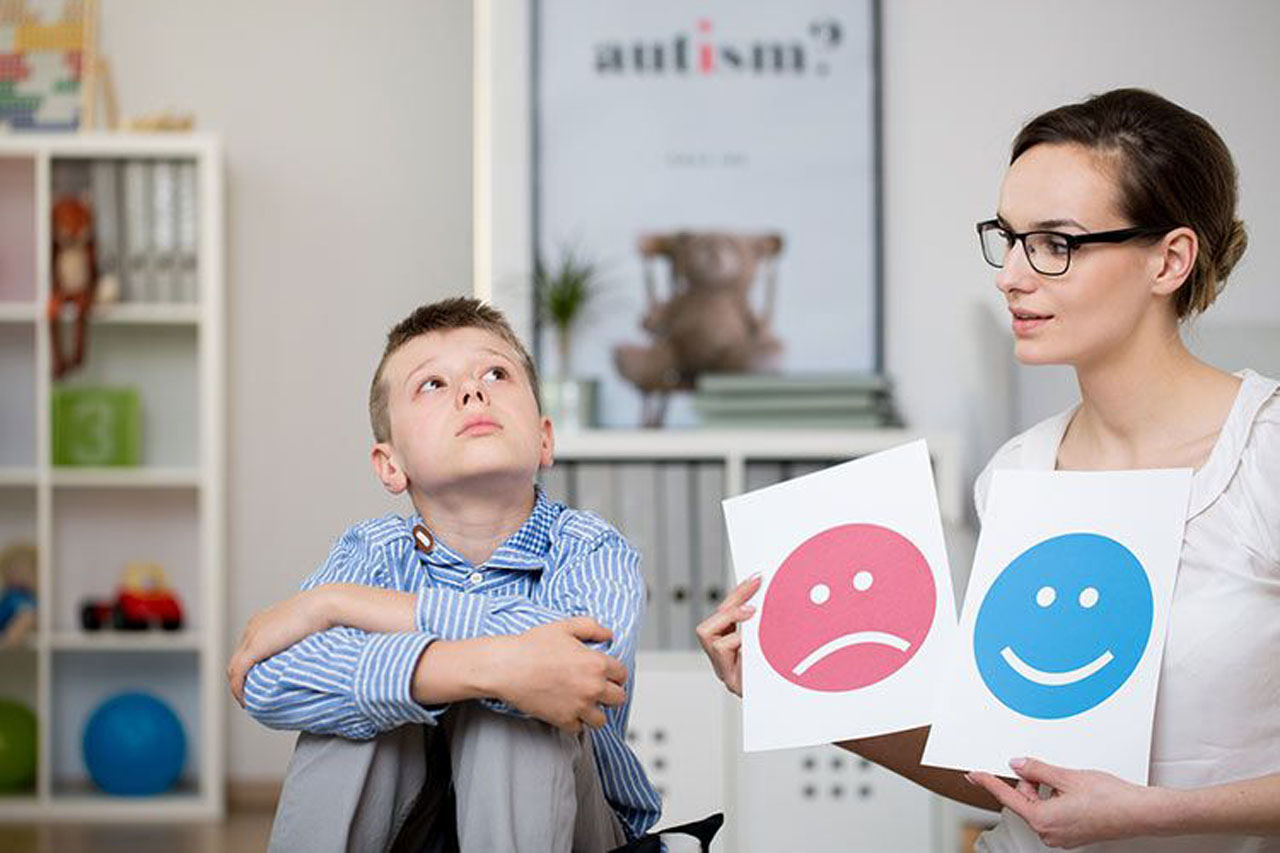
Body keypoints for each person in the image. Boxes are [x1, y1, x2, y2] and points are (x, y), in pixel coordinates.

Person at [697, 88, 1280, 852]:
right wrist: (808, 693)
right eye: (1007, 237)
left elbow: (1125, 807)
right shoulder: (1017, 473)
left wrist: (1149, 812)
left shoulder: (1262, 455)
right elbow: (1002, 771)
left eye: (1055, 243)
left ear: (1169, 259)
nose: (1010, 274)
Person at [227, 297, 660, 852]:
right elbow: (266, 677)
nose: (472, 392)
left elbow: (581, 670)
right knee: (351, 722)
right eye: (432, 384)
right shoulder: (372, 551)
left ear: (545, 439)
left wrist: (341, 607)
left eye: (496, 374)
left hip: (568, 827)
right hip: (403, 821)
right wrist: (485, 667)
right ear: (390, 465)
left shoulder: (591, 547)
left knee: (518, 714)